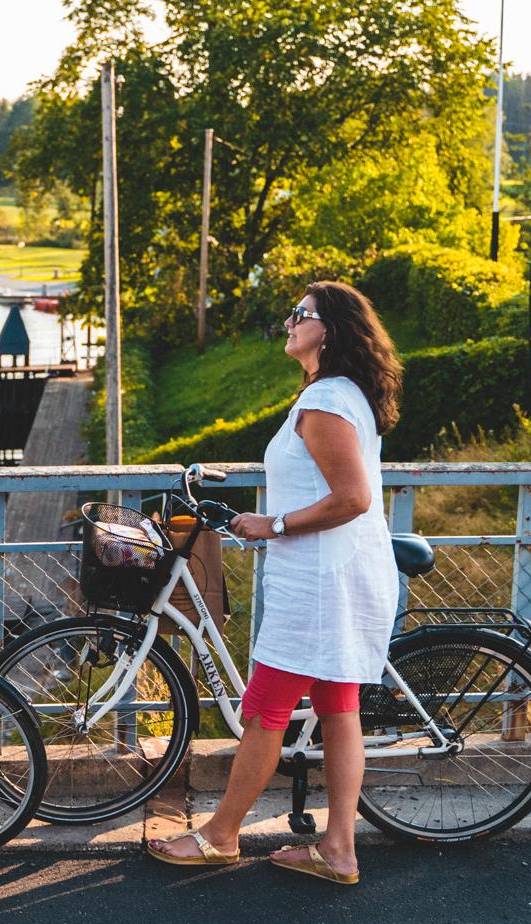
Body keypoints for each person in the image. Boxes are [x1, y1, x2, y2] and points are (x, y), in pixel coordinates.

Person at [148, 281, 402, 886]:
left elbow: (353, 499)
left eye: (301, 314)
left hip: (318, 582)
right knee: (339, 710)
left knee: (264, 709)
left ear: (330, 329)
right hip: (334, 573)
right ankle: (338, 849)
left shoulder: (328, 402)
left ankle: (219, 836)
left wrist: (274, 524)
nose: (289, 322)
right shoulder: (335, 395)